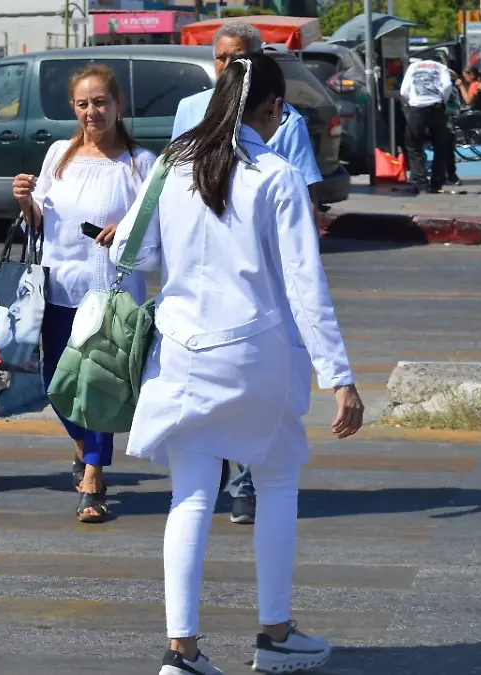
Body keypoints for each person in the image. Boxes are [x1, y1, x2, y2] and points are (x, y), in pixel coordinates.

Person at [111, 52, 364, 675]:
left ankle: (182, 653)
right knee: (276, 482)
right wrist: (340, 376)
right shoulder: (275, 175)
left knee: (190, 498)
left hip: (178, 355)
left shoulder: (172, 164)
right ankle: (274, 635)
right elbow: (307, 286)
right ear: (274, 108)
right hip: (256, 356)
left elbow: (130, 251)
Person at [169, 20, 323, 526]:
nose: (227, 70)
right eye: (220, 59)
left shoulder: (286, 126)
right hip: (200, 287)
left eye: (238, 60)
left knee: (258, 397)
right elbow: (173, 193)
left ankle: (245, 482)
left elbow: (300, 200)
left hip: (264, 285)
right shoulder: (190, 113)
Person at [11, 64, 156, 523]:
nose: (91, 111)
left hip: (110, 293)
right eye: (82, 103)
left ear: (118, 105)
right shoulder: (59, 154)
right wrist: (24, 201)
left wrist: (125, 232)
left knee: (99, 385)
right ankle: (83, 448)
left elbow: (154, 232)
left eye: (100, 102)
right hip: (58, 288)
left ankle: (93, 475)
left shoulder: (141, 163)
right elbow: (41, 222)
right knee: (57, 385)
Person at [401, 55, 454, 194]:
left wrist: (412, 100)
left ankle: (420, 182)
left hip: (417, 108)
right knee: (440, 145)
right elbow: (448, 85)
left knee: (413, 145)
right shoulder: (442, 67)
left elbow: (403, 91)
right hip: (436, 107)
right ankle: (437, 183)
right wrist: (442, 99)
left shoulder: (413, 67)